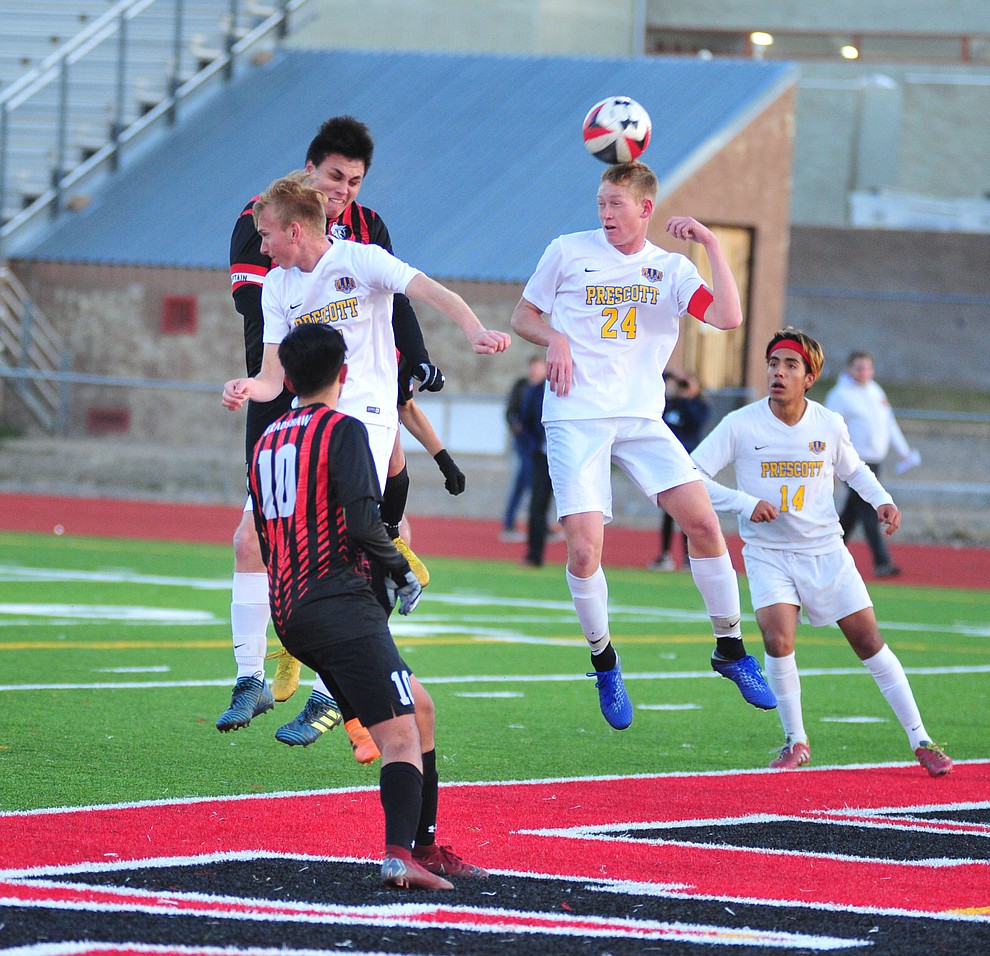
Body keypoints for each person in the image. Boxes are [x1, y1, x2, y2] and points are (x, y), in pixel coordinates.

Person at [509, 160, 776, 730]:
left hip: (641, 418)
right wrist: (554, 334)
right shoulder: (568, 251)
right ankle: (604, 662)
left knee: (703, 525)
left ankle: (730, 650)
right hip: (577, 415)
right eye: (601, 203)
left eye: (616, 205)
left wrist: (709, 243)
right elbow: (523, 315)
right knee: (584, 549)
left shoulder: (671, 269)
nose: (605, 214)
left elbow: (728, 317)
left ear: (645, 209)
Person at [221, 116, 447, 758]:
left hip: (353, 406)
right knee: (256, 537)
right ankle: (251, 677)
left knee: (350, 535)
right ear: (308, 177)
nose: (345, 190)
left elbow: (400, 299)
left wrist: (415, 361)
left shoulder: (368, 232)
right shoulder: (263, 219)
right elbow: (253, 301)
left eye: (354, 181)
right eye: (334, 178)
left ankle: (335, 694)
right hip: (283, 395)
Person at [248, 321, 489, 888]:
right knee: (401, 732)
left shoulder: (268, 440)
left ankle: (423, 845)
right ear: (346, 374)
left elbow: (264, 535)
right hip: (337, 603)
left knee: (419, 709)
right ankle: (399, 855)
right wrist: (401, 570)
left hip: (290, 606)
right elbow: (363, 520)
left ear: (286, 378)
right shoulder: (343, 429)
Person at [691, 329, 952, 776]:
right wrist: (745, 503)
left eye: (791, 365)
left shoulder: (828, 423)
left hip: (826, 552)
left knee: (869, 643)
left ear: (810, 376)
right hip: (768, 554)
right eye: (774, 362)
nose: (779, 372)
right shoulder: (740, 423)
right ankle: (795, 741)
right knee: (776, 639)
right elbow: (691, 474)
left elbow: (854, 469)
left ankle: (921, 740)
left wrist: (882, 499)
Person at [825, 350, 919, 578]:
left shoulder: (876, 391)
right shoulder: (840, 395)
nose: (863, 372)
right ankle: (882, 561)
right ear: (849, 368)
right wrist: (831, 464)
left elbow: (890, 423)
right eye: (858, 367)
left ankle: (826, 555)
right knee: (870, 510)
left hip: (875, 463)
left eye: (867, 368)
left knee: (851, 514)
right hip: (852, 465)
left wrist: (903, 451)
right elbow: (828, 430)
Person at [649, 370, 711, 571]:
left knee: (688, 511)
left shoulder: (699, 406)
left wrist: (689, 397)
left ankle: (688, 556)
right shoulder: (671, 404)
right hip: (668, 463)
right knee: (668, 512)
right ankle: (665, 555)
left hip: (689, 462)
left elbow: (697, 421)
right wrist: (674, 385)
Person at [500, 357, 546, 541]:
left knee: (541, 487)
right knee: (524, 482)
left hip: (543, 445)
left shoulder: (546, 388)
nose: (534, 373)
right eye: (532, 369)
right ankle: (510, 523)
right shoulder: (522, 387)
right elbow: (510, 412)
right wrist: (515, 425)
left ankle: (539, 525)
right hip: (525, 445)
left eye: (538, 369)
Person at [518, 358, 552, 567]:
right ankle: (534, 555)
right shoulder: (535, 391)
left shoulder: (573, 387)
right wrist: (534, 447)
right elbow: (525, 420)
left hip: (568, 456)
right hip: (542, 456)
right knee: (537, 506)